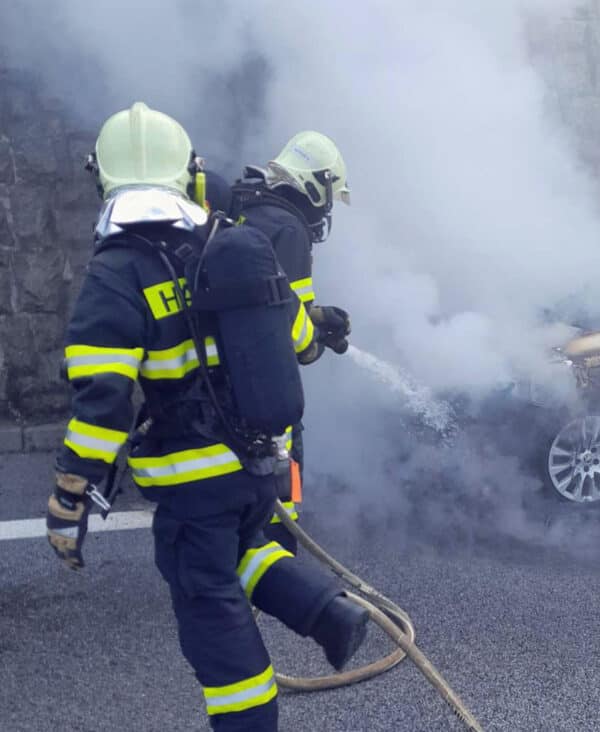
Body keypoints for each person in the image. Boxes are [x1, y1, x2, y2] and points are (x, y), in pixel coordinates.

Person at [45, 102, 367, 732]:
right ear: (187, 171)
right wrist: (320, 323)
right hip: (257, 462)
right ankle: (331, 614)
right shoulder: (228, 243)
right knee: (244, 549)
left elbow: (102, 402)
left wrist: (69, 492)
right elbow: (297, 338)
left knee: (207, 603)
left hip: (193, 479)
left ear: (102, 176)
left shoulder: (117, 274)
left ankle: (249, 723)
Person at [204, 132, 351, 551]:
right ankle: (278, 549)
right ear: (315, 185)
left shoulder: (244, 203)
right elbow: (291, 328)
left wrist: (319, 317)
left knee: (231, 482)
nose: (326, 208)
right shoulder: (290, 230)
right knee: (282, 479)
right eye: (328, 196)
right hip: (264, 376)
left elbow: (276, 299)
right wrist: (315, 340)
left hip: (219, 370)